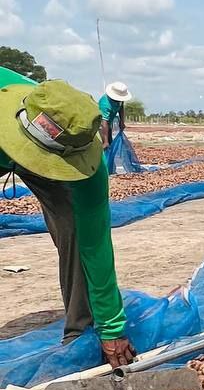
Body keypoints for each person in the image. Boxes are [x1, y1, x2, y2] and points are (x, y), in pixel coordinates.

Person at [0, 78, 136, 369]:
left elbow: (95, 242)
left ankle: (79, 331)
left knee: (74, 226)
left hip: (55, 150)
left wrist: (112, 327)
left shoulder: (83, 153)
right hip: (8, 134)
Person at [99, 81, 132, 147]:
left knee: (110, 143)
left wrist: (122, 121)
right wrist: (105, 141)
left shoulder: (120, 100)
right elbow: (103, 123)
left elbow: (121, 107)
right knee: (104, 145)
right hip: (100, 126)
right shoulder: (105, 103)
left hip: (109, 124)